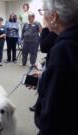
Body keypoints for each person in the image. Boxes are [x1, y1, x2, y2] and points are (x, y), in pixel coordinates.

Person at [35, 0, 78, 135]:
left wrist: (43, 83)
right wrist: (46, 77)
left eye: (43, 12)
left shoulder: (62, 50)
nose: (43, 17)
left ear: (53, 17)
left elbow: (50, 118)